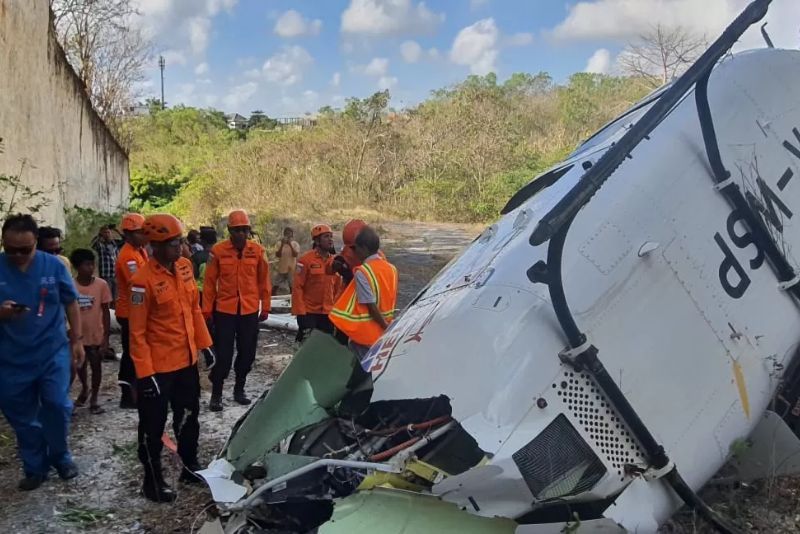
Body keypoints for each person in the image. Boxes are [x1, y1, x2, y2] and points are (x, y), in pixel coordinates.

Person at [129, 213, 213, 503]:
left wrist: (206, 345)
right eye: (173, 243)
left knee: (189, 418)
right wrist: (144, 372)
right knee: (152, 427)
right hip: (158, 368)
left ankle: (189, 467)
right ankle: (152, 482)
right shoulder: (142, 281)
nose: (180, 247)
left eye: (179, 241)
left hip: (186, 362)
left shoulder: (186, 268)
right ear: (156, 245)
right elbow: (136, 332)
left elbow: (194, 311)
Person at [0, 214, 84, 491]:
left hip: (51, 353)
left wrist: (77, 340)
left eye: (24, 249)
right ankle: (35, 467)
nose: (18, 255)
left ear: (36, 242)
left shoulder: (54, 265)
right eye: (10, 249)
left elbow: (71, 302)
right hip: (10, 359)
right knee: (22, 416)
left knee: (57, 405)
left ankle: (60, 456)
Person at [202, 210, 270, 411]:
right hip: (224, 311)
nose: (240, 233)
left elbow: (264, 280)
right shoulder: (218, 251)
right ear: (230, 231)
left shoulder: (257, 251)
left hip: (248, 311)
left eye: (244, 230)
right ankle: (217, 393)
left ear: (248, 231)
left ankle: (239, 389)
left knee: (247, 353)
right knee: (223, 355)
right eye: (236, 230)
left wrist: (264, 306)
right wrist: (206, 310)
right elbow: (209, 283)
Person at [330, 227, 398, 362]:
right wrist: (387, 327)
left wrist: (385, 326)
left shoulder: (363, 272)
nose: (355, 253)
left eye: (357, 249)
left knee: (363, 371)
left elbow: (370, 305)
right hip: (383, 330)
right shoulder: (392, 269)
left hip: (365, 334)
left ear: (364, 249)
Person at [69, 248, 111, 415]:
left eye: (92, 264)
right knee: (80, 365)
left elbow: (106, 310)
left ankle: (94, 397)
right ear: (77, 267)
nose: (91, 267)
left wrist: (106, 336)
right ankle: (85, 389)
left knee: (96, 365)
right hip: (78, 334)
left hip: (96, 333)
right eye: (86, 264)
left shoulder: (101, 285)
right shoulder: (71, 285)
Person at [115, 213, 149, 409]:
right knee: (131, 354)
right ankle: (127, 395)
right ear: (128, 234)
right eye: (139, 232)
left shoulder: (139, 251)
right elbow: (139, 282)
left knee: (136, 351)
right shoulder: (128, 256)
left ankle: (135, 390)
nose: (144, 236)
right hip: (129, 313)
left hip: (136, 311)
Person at [292, 224, 341, 342]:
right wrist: (300, 312)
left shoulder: (335, 262)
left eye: (331, 236)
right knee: (306, 345)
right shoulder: (305, 260)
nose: (330, 239)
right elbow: (297, 286)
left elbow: (338, 288)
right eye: (326, 237)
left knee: (324, 346)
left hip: (328, 313)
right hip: (309, 312)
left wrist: (336, 311)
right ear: (317, 241)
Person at [91, 225, 121, 301]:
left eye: (108, 232)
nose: (107, 234)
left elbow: (126, 239)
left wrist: (116, 230)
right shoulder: (100, 246)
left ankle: (114, 312)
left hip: (116, 275)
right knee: (107, 297)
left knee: (116, 298)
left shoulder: (115, 244)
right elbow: (93, 243)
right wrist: (99, 234)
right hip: (106, 275)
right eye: (105, 232)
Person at [273, 227, 299, 294]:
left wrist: (290, 244)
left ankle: (293, 301)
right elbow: (278, 255)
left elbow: (295, 255)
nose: (288, 236)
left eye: (289, 235)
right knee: (275, 285)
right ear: (284, 235)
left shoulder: (295, 244)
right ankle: (272, 299)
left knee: (292, 286)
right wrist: (282, 244)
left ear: (292, 235)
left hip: (291, 269)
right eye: (286, 234)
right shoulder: (279, 244)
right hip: (281, 268)